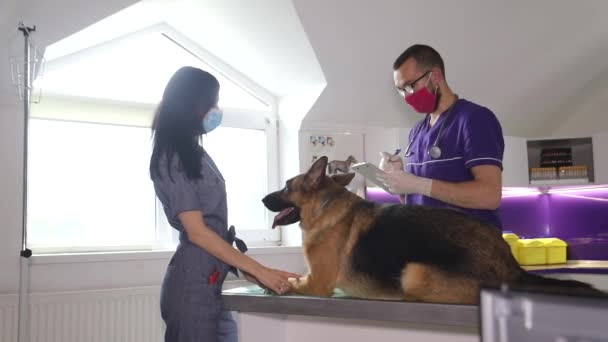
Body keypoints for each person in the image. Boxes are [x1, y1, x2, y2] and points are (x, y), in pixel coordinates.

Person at [150, 66, 299, 342]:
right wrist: (259, 271)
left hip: (211, 284)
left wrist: (256, 274)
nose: (216, 109)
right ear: (192, 104)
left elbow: (214, 233)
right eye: (212, 103)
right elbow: (198, 232)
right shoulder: (172, 157)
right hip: (191, 289)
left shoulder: (194, 152)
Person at [377, 44, 505, 228]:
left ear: (435, 76)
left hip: (468, 250)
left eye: (411, 86)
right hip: (428, 247)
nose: (407, 96)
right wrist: (399, 180)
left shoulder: (474, 119)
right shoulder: (416, 132)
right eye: (401, 90)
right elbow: (415, 203)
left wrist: (420, 185)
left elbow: (490, 196)